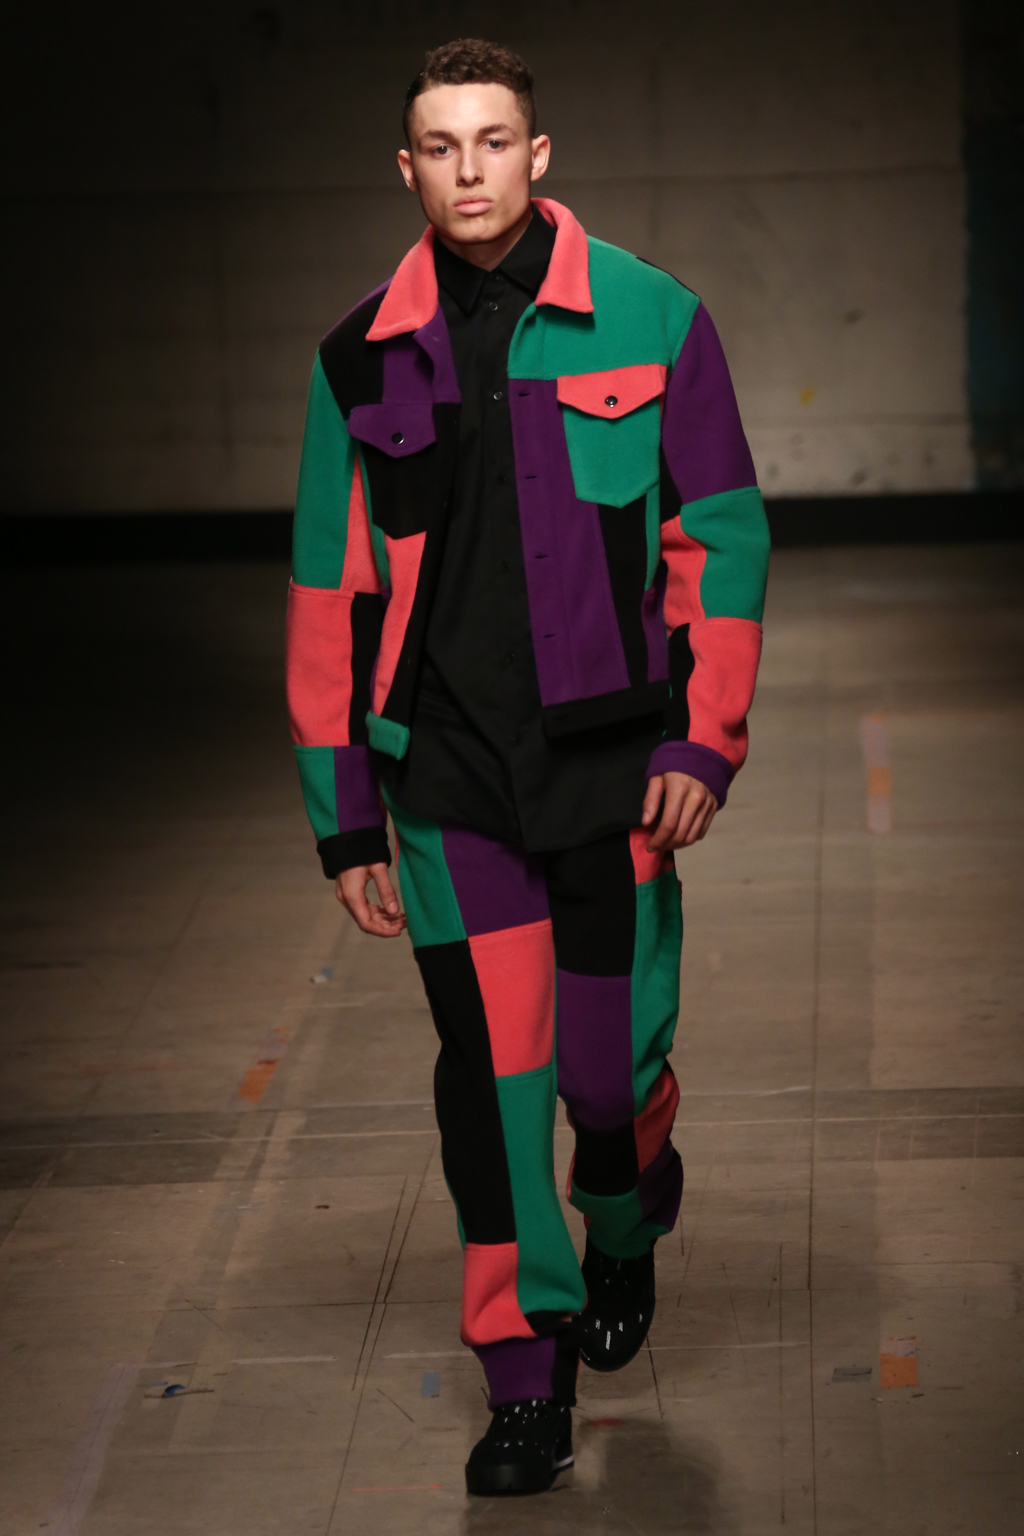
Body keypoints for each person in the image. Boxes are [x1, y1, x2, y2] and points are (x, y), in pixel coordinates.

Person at [286, 37, 769, 1497]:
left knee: (605, 1078)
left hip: (614, 776)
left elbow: (718, 535)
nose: (470, 170)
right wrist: (344, 814)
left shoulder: (653, 317)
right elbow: (328, 587)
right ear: (408, 167)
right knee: (496, 1088)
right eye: (441, 147)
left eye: (494, 141)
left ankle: (627, 1204)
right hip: (448, 786)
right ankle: (522, 1375)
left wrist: (704, 737)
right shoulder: (357, 357)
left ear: (537, 154)